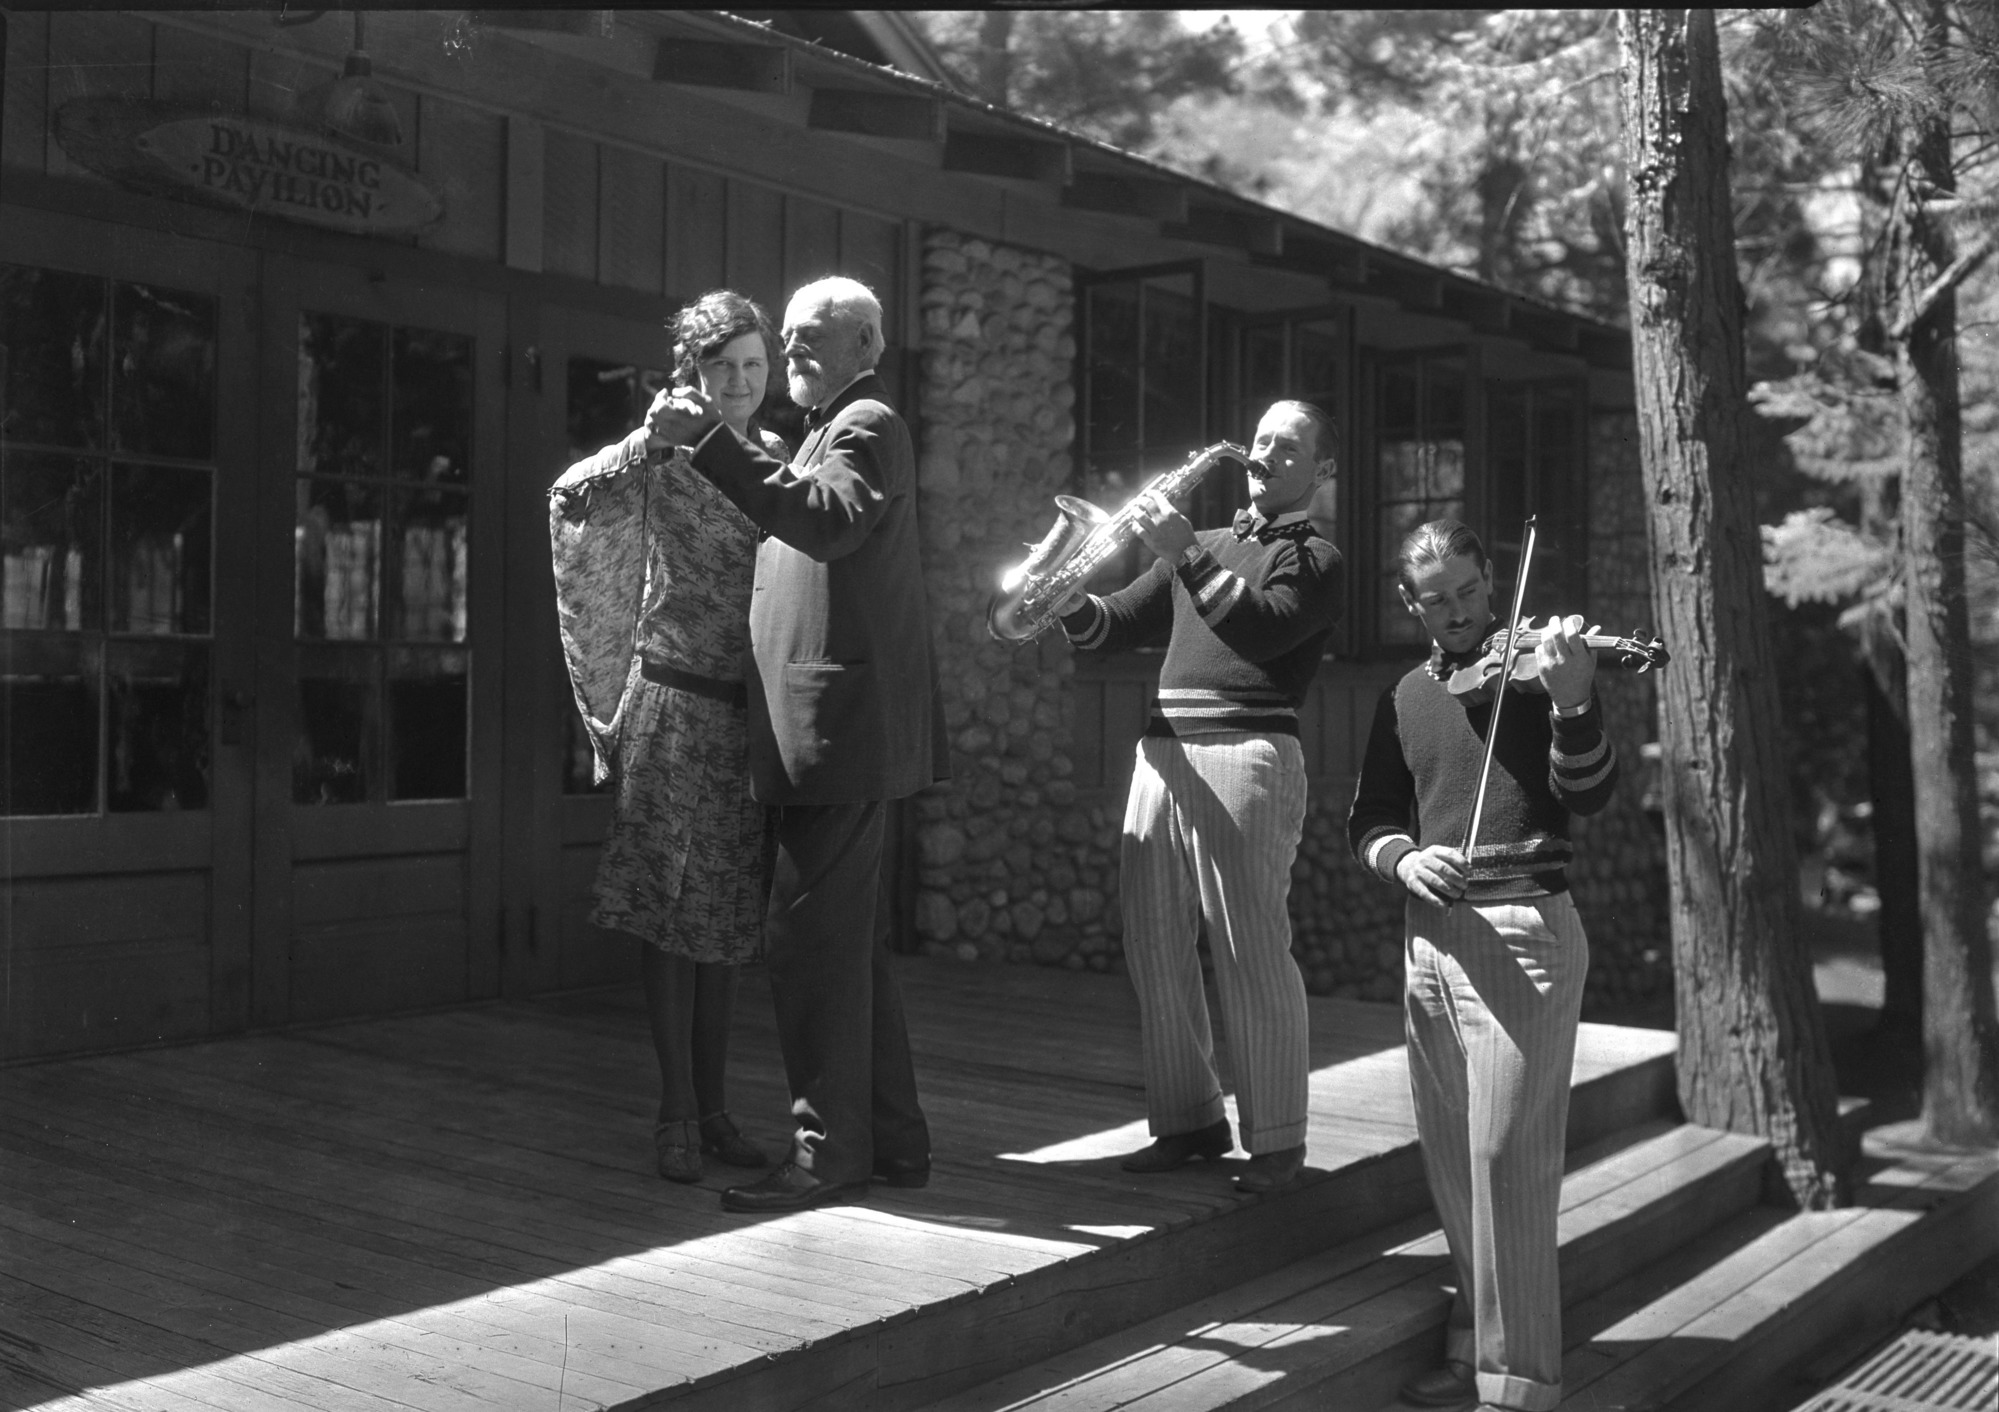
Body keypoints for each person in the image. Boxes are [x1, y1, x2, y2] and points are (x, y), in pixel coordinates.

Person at [647, 275, 946, 1215]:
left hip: (840, 739)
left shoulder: (866, 428)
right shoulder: (820, 434)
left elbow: (825, 523)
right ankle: (892, 1143)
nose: (795, 351)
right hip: (825, 742)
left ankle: (827, 1154)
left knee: (810, 951)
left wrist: (706, 441)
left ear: (867, 344)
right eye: (790, 337)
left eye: (813, 339)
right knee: (845, 953)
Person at [1346, 519, 1618, 1412]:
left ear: (1491, 581)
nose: (1456, 613)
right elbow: (1371, 819)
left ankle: (1520, 1389)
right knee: (1453, 1164)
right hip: (1432, 938)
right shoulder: (1405, 695)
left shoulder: (1539, 673)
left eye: (1468, 592)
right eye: (1436, 599)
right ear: (1409, 603)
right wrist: (1402, 859)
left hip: (1526, 936)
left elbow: (1589, 792)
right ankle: (1473, 1349)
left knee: (1508, 1161)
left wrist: (1574, 700)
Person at [1057, 400, 1345, 1195]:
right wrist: (1063, 600)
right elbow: (1116, 624)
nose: (1263, 455)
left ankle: (1278, 1139)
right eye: (1259, 441)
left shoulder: (1317, 558)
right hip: (1162, 752)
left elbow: (1260, 630)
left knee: (1249, 948)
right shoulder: (1208, 546)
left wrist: (1185, 555)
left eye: (1287, 447)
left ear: (1322, 471)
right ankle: (1189, 1121)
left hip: (1249, 753)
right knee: (1152, 945)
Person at [547, 290, 784, 1187]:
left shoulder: (771, 462)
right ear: (692, 371)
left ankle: (717, 1108)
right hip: (672, 702)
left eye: (753, 367)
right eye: (722, 367)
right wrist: (645, 444)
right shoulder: (662, 455)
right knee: (666, 909)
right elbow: (569, 498)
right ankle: (674, 1108)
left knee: (723, 918)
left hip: (743, 712)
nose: (738, 383)